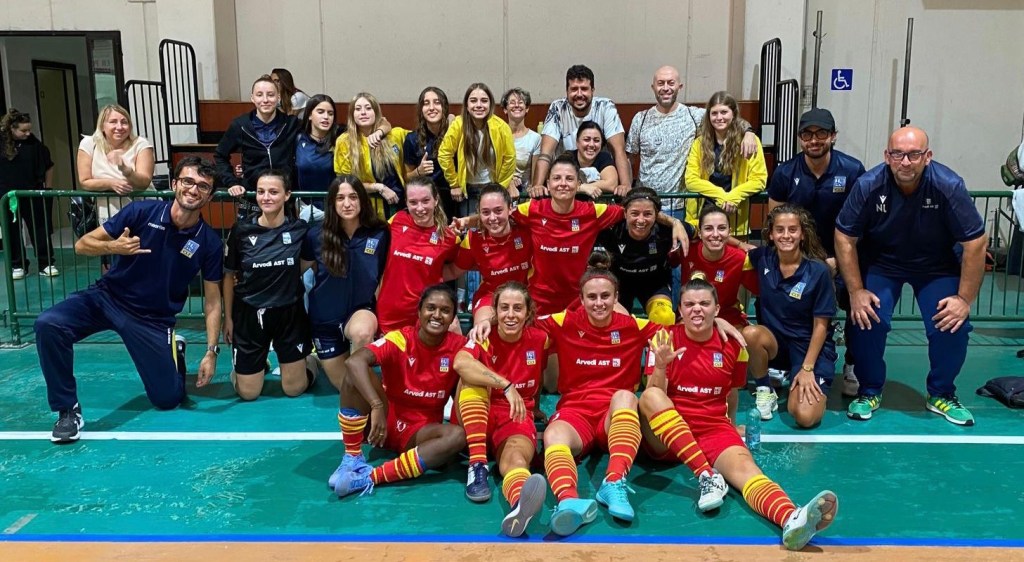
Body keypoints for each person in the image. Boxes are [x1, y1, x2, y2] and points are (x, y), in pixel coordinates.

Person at [535, 265, 743, 536]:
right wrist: (486, 319)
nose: (599, 303)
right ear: (582, 299)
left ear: (616, 297)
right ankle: (568, 502)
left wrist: (718, 320)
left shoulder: (635, 325)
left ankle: (614, 482)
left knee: (624, 395)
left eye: (605, 296)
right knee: (553, 434)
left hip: (617, 416)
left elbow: (688, 328)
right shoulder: (564, 321)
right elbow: (517, 319)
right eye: (592, 297)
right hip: (577, 413)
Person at [639, 278, 838, 551]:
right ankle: (706, 475)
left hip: (712, 428)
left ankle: (791, 518)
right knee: (649, 396)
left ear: (717, 309)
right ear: (680, 310)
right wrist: (660, 366)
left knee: (748, 471)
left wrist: (731, 428)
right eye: (689, 304)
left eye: (704, 304)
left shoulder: (734, 346)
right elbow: (653, 397)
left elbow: (731, 393)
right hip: (668, 434)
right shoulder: (664, 339)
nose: (697, 309)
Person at [36, 157, 224, 443]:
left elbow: (212, 301)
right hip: (108, 297)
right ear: (175, 184)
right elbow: (81, 244)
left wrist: (211, 351)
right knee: (49, 324)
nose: (193, 189)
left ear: (209, 195)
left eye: (202, 186)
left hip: (153, 319)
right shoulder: (141, 212)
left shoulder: (209, 242)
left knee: (168, 399)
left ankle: (176, 351)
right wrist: (112, 247)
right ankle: (67, 410)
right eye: (187, 181)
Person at [835, 126, 987, 426]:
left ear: (927, 156)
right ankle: (869, 390)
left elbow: (976, 242)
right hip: (883, 264)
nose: (905, 162)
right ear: (887, 156)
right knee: (867, 316)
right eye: (898, 154)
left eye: (914, 154)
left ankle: (941, 393)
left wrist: (964, 299)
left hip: (937, 265)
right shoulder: (868, 185)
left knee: (951, 321)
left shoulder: (949, 185)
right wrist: (855, 291)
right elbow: (844, 237)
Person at [331, 284, 468, 498]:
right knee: (354, 373)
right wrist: (376, 405)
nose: (437, 315)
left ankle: (371, 477)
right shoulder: (400, 338)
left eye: (445, 310)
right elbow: (354, 362)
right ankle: (352, 457)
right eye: (430, 308)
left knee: (457, 436)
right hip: (384, 421)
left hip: (420, 432)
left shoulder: (461, 346)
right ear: (419, 311)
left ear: (453, 319)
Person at [768, 108, 866, 397]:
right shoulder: (786, 172)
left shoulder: (851, 169)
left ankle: (852, 363)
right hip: (798, 259)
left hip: (842, 257)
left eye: (821, 133)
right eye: (807, 134)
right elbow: (775, 220)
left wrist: (838, 259)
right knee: (780, 305)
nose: (814, 140)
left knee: (855, 308)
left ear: (833, 136)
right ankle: (783, 363)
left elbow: (862, 221)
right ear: (800, 139)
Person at [453, 281, 549, 536]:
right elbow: (460, 363)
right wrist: (506, 385)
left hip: (516, 414)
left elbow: (538, 374)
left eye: (518, 308)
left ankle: (519, 505)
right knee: (471, 380)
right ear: (494, 311)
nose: (510, 314)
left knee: (516, 460)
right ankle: (477, 467)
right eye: (504, 307)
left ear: (528, 313)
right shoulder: (483, 335)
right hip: (477, 414)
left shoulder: (539, 339)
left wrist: (535, 405)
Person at [223, 169, 313, 400]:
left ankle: (312, 361)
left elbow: (306, 261)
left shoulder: (299, 230)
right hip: (249, 314)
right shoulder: (242, 230)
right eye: (261, 192)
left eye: (274, 192)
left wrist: (285, 275)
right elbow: (229, 274)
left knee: (294, 389)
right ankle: (252, 366)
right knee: (249, 393)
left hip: (289, 313)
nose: (266, 197)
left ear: (287, 195)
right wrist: (229, 318)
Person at [748, 205, 838, 428]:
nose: (786, 235)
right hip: (777, 345)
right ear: (770, 233)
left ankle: (801, 380)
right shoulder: (763, 258)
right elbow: (737, 246)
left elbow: (821, 326)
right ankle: (765, 389)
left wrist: (807, 369)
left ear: (802, 234)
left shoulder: (818, 272)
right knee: (751, 333)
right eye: (779, 230)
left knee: (805, 417)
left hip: (809, 348)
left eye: (792, 230)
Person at [301, 175, 389, 392]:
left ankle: (361, 368)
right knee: (346, 388)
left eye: (353, 197)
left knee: (359, 384)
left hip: (360, 311)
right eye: (340, 198)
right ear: (332, 203)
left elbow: (386, 274)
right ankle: (315, 360)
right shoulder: (315, 236)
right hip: (324, 320)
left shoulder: (380, 232)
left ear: (362, 200)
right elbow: (297, 272)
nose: (347, 203)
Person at [626, 66, 757, 210]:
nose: (665, 88)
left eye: (671, 83)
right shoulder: (640, 118)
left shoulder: (694, 115)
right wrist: (629, 191)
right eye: (660, 83)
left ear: (679, 86)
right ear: (653, 87)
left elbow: (728, 118)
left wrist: (749, 132)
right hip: (646, 205)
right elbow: (629, 158)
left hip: (679, 204)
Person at [375, 176, 460, 334]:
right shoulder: (397, 221)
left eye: (425, 201)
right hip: (389, 317)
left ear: (436, 200)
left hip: (425, 318)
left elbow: (458, 268)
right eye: (413, 202)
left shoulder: (449, 237)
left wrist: (434, 274)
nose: (420, 208)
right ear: (406, 203)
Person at [531, 65, 631, 192]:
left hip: (601, 182)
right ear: (566, 91)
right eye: (574, 89)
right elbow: (545, 154)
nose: (579, 94)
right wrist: (537, 186)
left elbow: (619, 151)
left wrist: (626, 185)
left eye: (584, 89)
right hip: (566, 183)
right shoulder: (557, 108)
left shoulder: (605, 107)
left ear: (592, 90)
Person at [449, 184, 532, 336]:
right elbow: (453, 271)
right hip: (490, 295)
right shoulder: (474, 239)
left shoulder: (527, 228)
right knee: (481, 332)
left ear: (510, 209)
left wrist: (467, 220)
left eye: (498, 210)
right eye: (485, 212)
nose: (493, 218)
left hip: (526, 294)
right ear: (479, 214)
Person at [593, 188, 683, 325]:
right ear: (625, 213)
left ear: (657, 215)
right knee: (615, 320)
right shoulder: (612, 230)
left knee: (664, 316)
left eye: (647, 214)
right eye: (634, 213)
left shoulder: (666, 231)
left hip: (654, 284)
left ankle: (659, 347)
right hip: (619, 285)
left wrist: (678, 223)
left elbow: (700, 232)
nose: (640, 220)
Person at [215, 75, 300, 219]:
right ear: (252, 98)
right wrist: (232, 182)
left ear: (278, 97)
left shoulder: (291, 124)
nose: (265, 100)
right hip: (252, 199)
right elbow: (220, 156)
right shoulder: (239, 125)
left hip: (284, 199)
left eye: (271, 95)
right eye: (259, 95)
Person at [684, 91, 767, 237]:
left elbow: (759, 180)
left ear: (733, 114)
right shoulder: (699, 143)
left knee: (735, 258)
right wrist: (722, 196)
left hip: (735, 217)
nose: (719, 117)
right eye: (714, 113)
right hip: (701, 219)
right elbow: (691, 180)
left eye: (724, 112)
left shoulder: (749, 142)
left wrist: (733, 196)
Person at [438, 82, 516, 215]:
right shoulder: (458, 124)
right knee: (470, 231)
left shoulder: (501, 127)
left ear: (490, 104)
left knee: (493, 227)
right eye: (473, 101)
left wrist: (500, 187)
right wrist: (455, 183)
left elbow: (509, 158)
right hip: (467, 191)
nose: (479, 105)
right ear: (467, 106)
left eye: (484, 101)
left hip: (492, 188)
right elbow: (444, 154)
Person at [77, 104, 155, 226]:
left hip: (143, 211)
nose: (119, 127)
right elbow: (85, 181)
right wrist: (111, 183)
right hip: (108, 214)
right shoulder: (89, 143)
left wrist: (125, 169)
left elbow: (144, 182)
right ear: (102, 126)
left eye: (124, 122)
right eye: (113, 122)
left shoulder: (141, 144)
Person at [0, 108, 56, 279]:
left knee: (40, 230)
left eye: (29, 129)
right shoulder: (1, 145)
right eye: (23, 130)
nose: (27, 133)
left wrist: (47, 189)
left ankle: (46, 263)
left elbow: (48, 165)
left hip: (33, 195)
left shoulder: (34, 144)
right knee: (12, 231)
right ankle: (18, 265)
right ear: (12, 129)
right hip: (8, 197)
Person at [334, 92, 407, 218]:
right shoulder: (344, 142)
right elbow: (345, 182)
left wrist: (382, 130)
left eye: (368, 108)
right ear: (352, 114)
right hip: (368, 211)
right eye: (358, 109)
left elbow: (420, 136)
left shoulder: (394, 135)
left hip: (400, 208)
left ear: (376, 113)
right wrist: (379, 187)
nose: (363, 112)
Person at [404, 87, 456, 221]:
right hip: (426, 202)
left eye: (437, 102)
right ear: (421, 109)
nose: (431, 107)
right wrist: (419, 171)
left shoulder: (456, 133)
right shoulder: (412, 139)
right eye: (426, 103)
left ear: (444, 107)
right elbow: (406, 177)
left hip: (456, 198)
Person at [295, 94, 343, 223]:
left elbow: (382, 123)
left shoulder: (341, 138)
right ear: (310, 115)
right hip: (305, 209)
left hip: (336, 210)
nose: (326, 117)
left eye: (330, 113)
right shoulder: (297, 138)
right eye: (320, 112)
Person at [501, 87, 541, 194]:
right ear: (505, 109)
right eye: (512, 102)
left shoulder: (535, 138)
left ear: (527, 108)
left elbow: (535, 178)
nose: (517, 105)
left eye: (521, 102)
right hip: (501, 192)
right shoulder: (499, 135)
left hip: (524, 195)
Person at [569, 120, 621, 200]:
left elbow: (611, 184)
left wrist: (582, 186)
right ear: (577, 142)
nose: (592, 144)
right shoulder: (567, 158)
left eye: (596, 140)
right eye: (586, 139)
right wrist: (582, 188)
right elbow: (557, 185)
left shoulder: (604, 157)